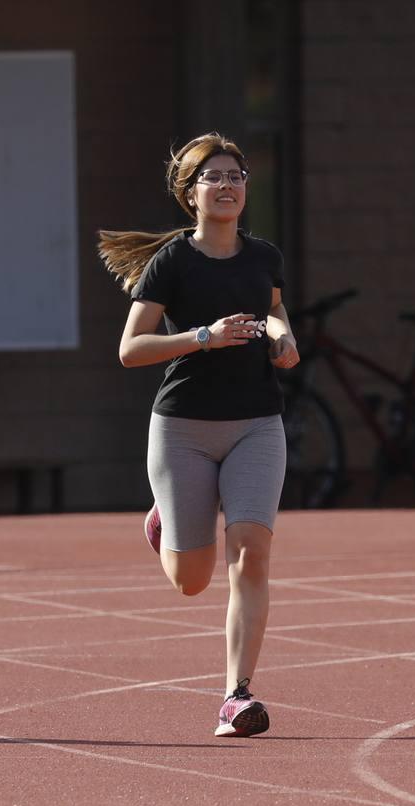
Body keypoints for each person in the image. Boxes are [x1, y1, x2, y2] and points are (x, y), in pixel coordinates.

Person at [98, 133, 300, 737]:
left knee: (251, 552)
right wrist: (203, 336)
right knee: (191, 580)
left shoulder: (263, 255)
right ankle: (164, 522)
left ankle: (236, 694)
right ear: (191, 194)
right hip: (183, 426)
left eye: (236, 176)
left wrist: (281, 335)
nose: (228, 185)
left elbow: (272, 308)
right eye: (213, 177)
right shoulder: (173, 262)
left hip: (257, 423)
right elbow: (131, 349)